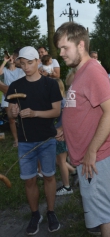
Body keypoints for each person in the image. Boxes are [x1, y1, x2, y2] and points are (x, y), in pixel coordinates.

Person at [54, 22, 110, 237]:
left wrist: (91, 150)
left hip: (95, 157)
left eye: (65, 48)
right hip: (85, 156)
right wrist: (66, 126)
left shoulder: (92, 71)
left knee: (105, 214)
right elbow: (80, 107)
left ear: (80, 45)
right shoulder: (79, 72)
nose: (61, 54)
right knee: (100, 211)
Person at [5, 46, 62, 235]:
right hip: (25, 141)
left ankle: (51, 212)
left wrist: (35, 113)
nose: (26, 67)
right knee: (29, 181)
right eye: (23, 63)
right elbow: (10, 110)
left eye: (30, 62)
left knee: (49, 176)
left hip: (46, 139)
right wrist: (12, 112)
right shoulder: (15, 86)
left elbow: (56, 111)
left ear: (38, 61)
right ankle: (35, 213)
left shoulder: (50, 84)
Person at [55, 78, 77, 195]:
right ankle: (73, 171)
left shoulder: (61, 102)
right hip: (58, 135)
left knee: (61, 161)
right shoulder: (62, 100)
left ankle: (67, 187)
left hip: (61, 136)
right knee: (58, 160)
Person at [0, 48, 25, 147]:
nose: (12, 60)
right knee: (11, 118)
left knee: (22, 116)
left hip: (18, 95)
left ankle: (24, 136)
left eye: (13, 58)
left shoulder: (20, 70)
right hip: (6, 96)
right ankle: (16, 139)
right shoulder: (5, 70)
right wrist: (5, 61)